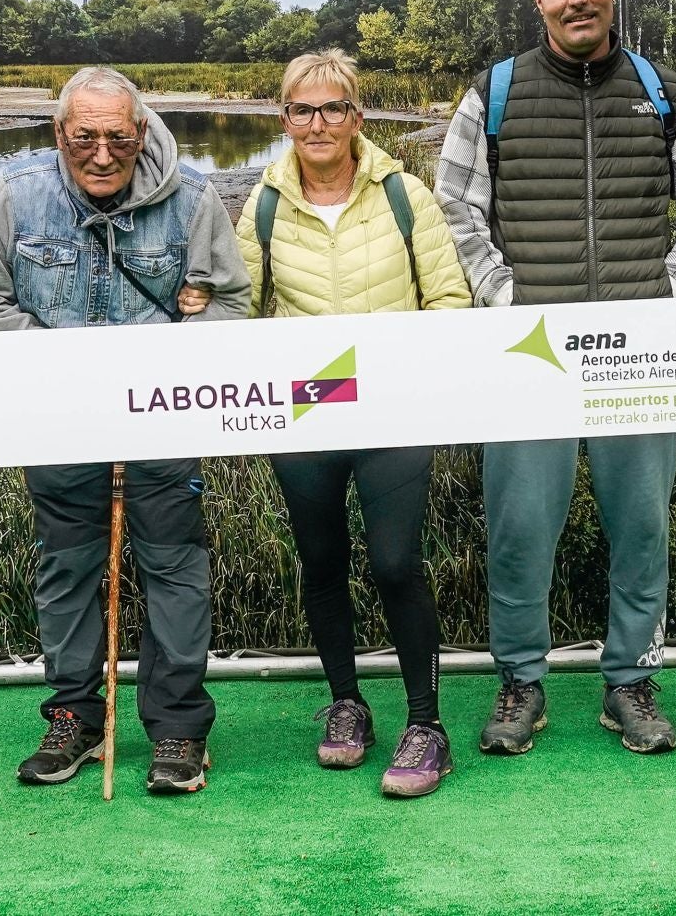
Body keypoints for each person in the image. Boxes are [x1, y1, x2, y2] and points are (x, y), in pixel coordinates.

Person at [434, 0, 676, 755]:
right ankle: (521, 682)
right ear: (538, 0)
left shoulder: (660, 88)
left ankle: (629, 681)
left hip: (642, 348)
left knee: (642, 523)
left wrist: (675, 285)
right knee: (521, 526)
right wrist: (504, 293)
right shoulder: (493, 92)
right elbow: (454, 202)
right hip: (532, 349)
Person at [0, 66, 249, 795]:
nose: (100, 152)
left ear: (140, 132)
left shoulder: (193, 199)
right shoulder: (15, 196)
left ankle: (180, 729)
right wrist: (69, 375)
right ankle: (74, 718)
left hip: (163, 425)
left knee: (175, 569)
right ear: (59, 133)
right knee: (65, 570)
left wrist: (189, 329)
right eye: (83, 136)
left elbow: (235, 305)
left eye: (117, 136)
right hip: (54, 424)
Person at [234, 50, 470, 797]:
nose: (317, 123)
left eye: (333, 107)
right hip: (304, 418)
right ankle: (345, 705)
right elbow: (242, 309)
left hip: (394, 414)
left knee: (397, 561)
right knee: (323, 561)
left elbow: (450, 300)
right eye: (302, 110)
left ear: (357, 117)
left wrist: (418, 380)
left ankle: (426, 724)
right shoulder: (263, 203)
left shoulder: (405, 195)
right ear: (285, 120)